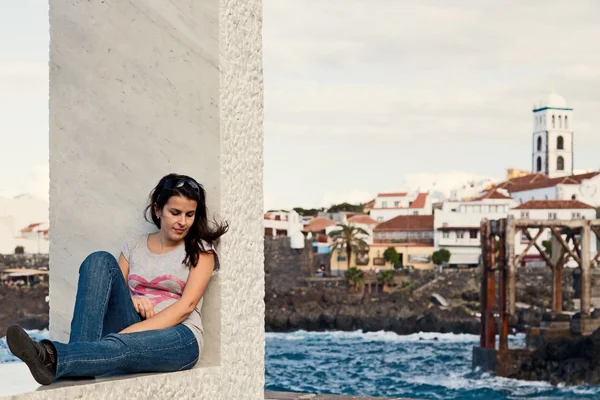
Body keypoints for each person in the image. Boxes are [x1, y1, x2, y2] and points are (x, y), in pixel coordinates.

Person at [7, 173, 228, 385]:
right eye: (175, 212)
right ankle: (80, 363)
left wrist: (127, 335)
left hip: (178, 336)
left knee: (121, 345)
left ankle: (49, 355)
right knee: (99, 259)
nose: (183, 222)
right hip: (130, 323)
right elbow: (115, 292)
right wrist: (132, 301)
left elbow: (185, 307)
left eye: (189, 215)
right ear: (158, 210)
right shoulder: (133, 247)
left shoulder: (201, 250)